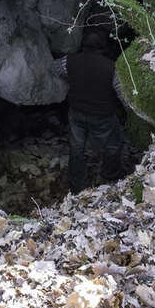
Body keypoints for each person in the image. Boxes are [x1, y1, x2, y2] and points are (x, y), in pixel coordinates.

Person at [51, 29, 128, 193]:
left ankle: (77, 186)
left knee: (77, 149)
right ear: (103, 47)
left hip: (77, 113)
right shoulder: (111, 67)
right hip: (102, 116)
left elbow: (54, 68)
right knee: (113, 145)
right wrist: (129, 111)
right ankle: (110, 176)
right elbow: (122, 93)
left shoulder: (69, 61)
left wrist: (71, 79)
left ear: (83, 45)